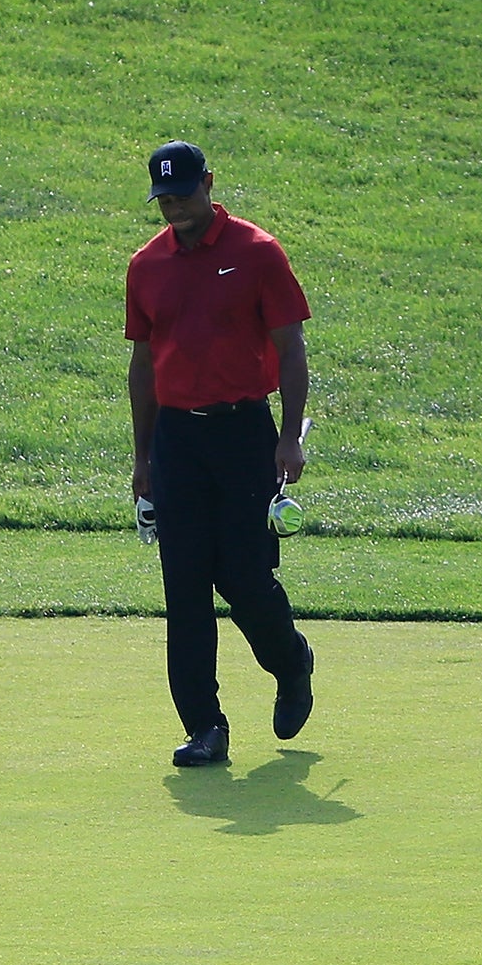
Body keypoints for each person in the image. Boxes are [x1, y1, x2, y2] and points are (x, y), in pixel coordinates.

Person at [125, 140, 315, 768]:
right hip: (178, 439)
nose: (175, 209)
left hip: (242, 433)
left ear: (209, 183)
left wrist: (289, 436)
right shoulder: (146, 266)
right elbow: (144, 365)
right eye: (165, 200)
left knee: (242, 576)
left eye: (184, 195)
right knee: (183, 587)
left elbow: (290, 348)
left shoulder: (257, 253)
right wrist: (143, 456)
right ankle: (205, 726)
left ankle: (291, 662)